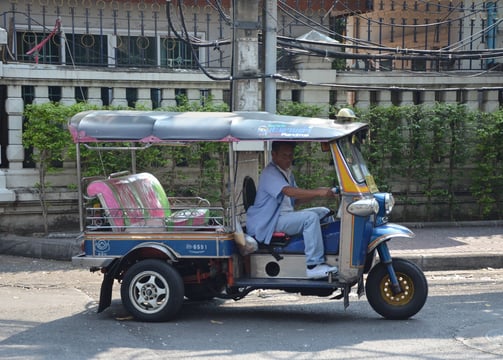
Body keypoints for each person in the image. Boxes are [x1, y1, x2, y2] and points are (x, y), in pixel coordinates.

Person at [246, 141, 338, 279]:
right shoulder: (270, 172)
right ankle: (313, 265)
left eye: (290, 155)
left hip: (284, 216)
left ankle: (329, 255)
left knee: (324, 212)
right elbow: (290, 192)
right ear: (274, 155)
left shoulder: (287, 173)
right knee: (310, 218)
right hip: (270, 222)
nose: (289, 159)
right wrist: (317, 192)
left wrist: (323, 191)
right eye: (284, 156)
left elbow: (296, 200)